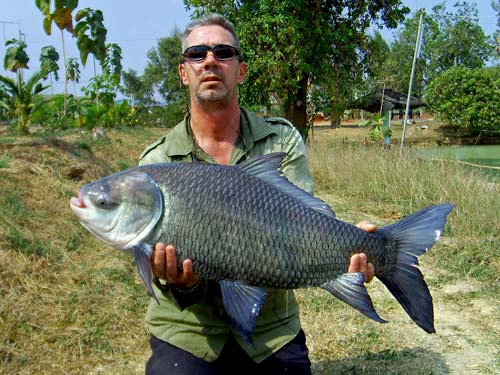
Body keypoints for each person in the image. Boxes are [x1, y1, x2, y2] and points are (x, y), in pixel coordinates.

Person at [139, 13, 375, 375]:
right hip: (188, 330)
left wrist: (351, 247)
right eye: (197, 53)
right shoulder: (155, 163)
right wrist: (182, 282)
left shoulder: (280, 139)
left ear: (241, 70)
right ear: (184, 72)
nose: (210, 60)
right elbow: (157, 270)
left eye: (223, 52)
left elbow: (303, 224)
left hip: (272, 330)